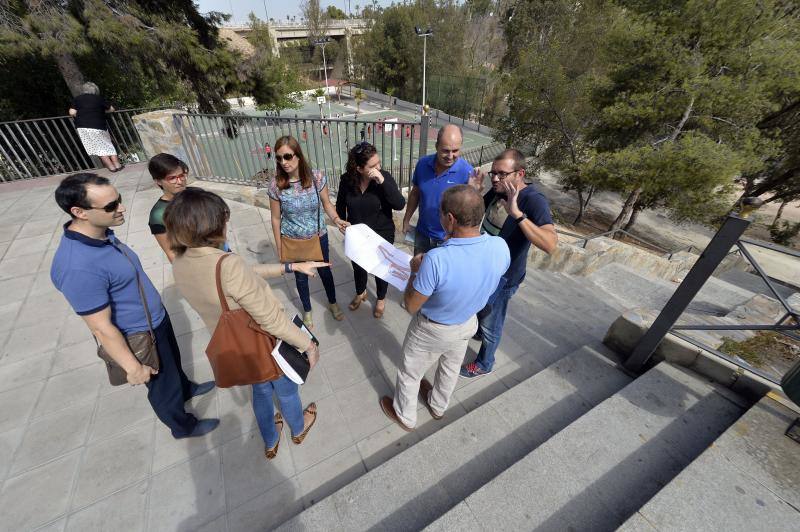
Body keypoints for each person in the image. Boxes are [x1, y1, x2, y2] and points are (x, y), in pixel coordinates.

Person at [50, 173, 218, 439]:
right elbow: (101, 328)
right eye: (111, 206)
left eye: (119, 200)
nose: (122, 208)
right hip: (139, 335)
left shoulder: (102, 235)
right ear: (78, 212)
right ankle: (182, 426)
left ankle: (185, 389)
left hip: (155, 321)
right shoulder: (77, 266)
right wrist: (133, 367)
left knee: (173, 367)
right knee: (162, 388)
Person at [165, 188, 325, 460]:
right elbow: (269, 318)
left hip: (234, 344)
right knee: (286, 389)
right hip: (262, 342)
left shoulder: (180, 262)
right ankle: (298, 428)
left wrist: (289, 267)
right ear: (212, 224)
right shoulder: (227, 264)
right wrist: (307, 344)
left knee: (260, 391)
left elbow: (239, 278)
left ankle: (271, 440)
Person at [380, 185, 510, 430]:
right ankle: (438, 406)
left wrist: (413, 272)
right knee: (450, 368)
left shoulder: (436, 259)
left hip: (432, 329)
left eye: (441, 213)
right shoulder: (500, 247)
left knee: (410, 373)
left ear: (450, 219)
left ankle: (405, 415)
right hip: (467, 323)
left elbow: (410, 305)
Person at [461, 149, 558, 378]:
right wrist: (473, 192)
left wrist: (518, 215)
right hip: (483, 271)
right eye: (493, 173)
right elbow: (474, 216)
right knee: (480, 309)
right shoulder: (498, 191)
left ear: (520, 173)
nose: (495, 178)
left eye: (502, 174)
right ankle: (478, 331)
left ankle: (485, 362)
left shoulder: (533, 200)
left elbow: (551, 244)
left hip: (503, 278)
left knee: (491, 324)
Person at [267, 135, 348, 329]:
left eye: (287, 156)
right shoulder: (276, 185)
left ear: (298, 156)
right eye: (278, 158)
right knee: (300, 277)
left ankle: (332, 302)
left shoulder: (316, 178)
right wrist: (280, 247)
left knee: (325, 272)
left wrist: (336, 220)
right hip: (293, 240)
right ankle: (307, 309)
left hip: (318, 236)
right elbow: (276, 218)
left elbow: (327, 203)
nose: (283, 162)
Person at [335, 142, 406, 319]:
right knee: (358, 266)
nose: (378, 168)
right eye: (372, 166)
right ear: (359, 168)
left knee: (381, 268)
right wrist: (341, 221)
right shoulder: (346, 180)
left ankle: (381, 298)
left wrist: (381, 181)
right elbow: (340, 205)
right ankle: (361, 292)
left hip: (381, 233)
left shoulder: (384, 178)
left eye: (378, 163)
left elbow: (399, 204)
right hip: (358, 235)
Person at [402, 124, 478, 254]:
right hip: (422, 235)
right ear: (436, 146)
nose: (450, 156)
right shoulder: (422, 164)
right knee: (418, 271)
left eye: (455, 151)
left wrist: (475, 193)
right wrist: (406, 220)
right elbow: (415, 193)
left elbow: (471, 214)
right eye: (445, 150)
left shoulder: (468, 173)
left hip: (448, 242)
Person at [68, 82, 123, 172]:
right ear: (95, 90)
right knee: (108, 145)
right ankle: (117, 165)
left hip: (82, 127)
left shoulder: (77, 99)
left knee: (98, 147)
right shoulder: (98, 99)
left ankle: (111, 167)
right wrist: (100, 111)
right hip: (98, 125)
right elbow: (112, 109)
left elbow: (72, 112)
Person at [148, 153, 189, 263]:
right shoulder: (158, 215)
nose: (179, 182)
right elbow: (171, 252)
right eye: (172, 178)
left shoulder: (197, 194)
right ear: (158, 181)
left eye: (181, 176)